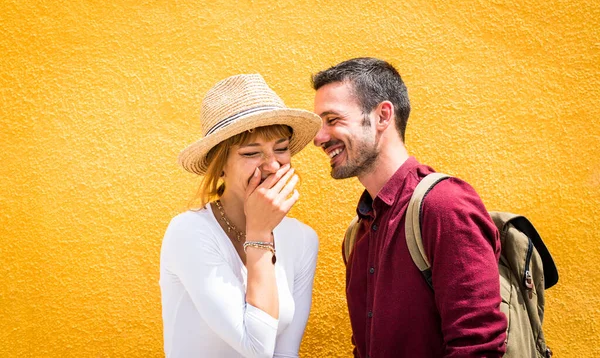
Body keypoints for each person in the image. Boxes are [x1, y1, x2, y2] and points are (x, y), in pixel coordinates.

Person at [311, 58, 508, 358]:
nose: (319, 138)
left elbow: (478, 347)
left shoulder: (444, 206)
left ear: (382, 116)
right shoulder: (357, 234)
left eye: (332, 120)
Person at [160, 74, 321, 358]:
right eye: (251, 153)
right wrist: (258, 234)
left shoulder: (302, 239)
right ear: (220, 165)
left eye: (281, 149)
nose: (272, 165)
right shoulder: (189, 232)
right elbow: (256, 348)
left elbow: (284, 353)